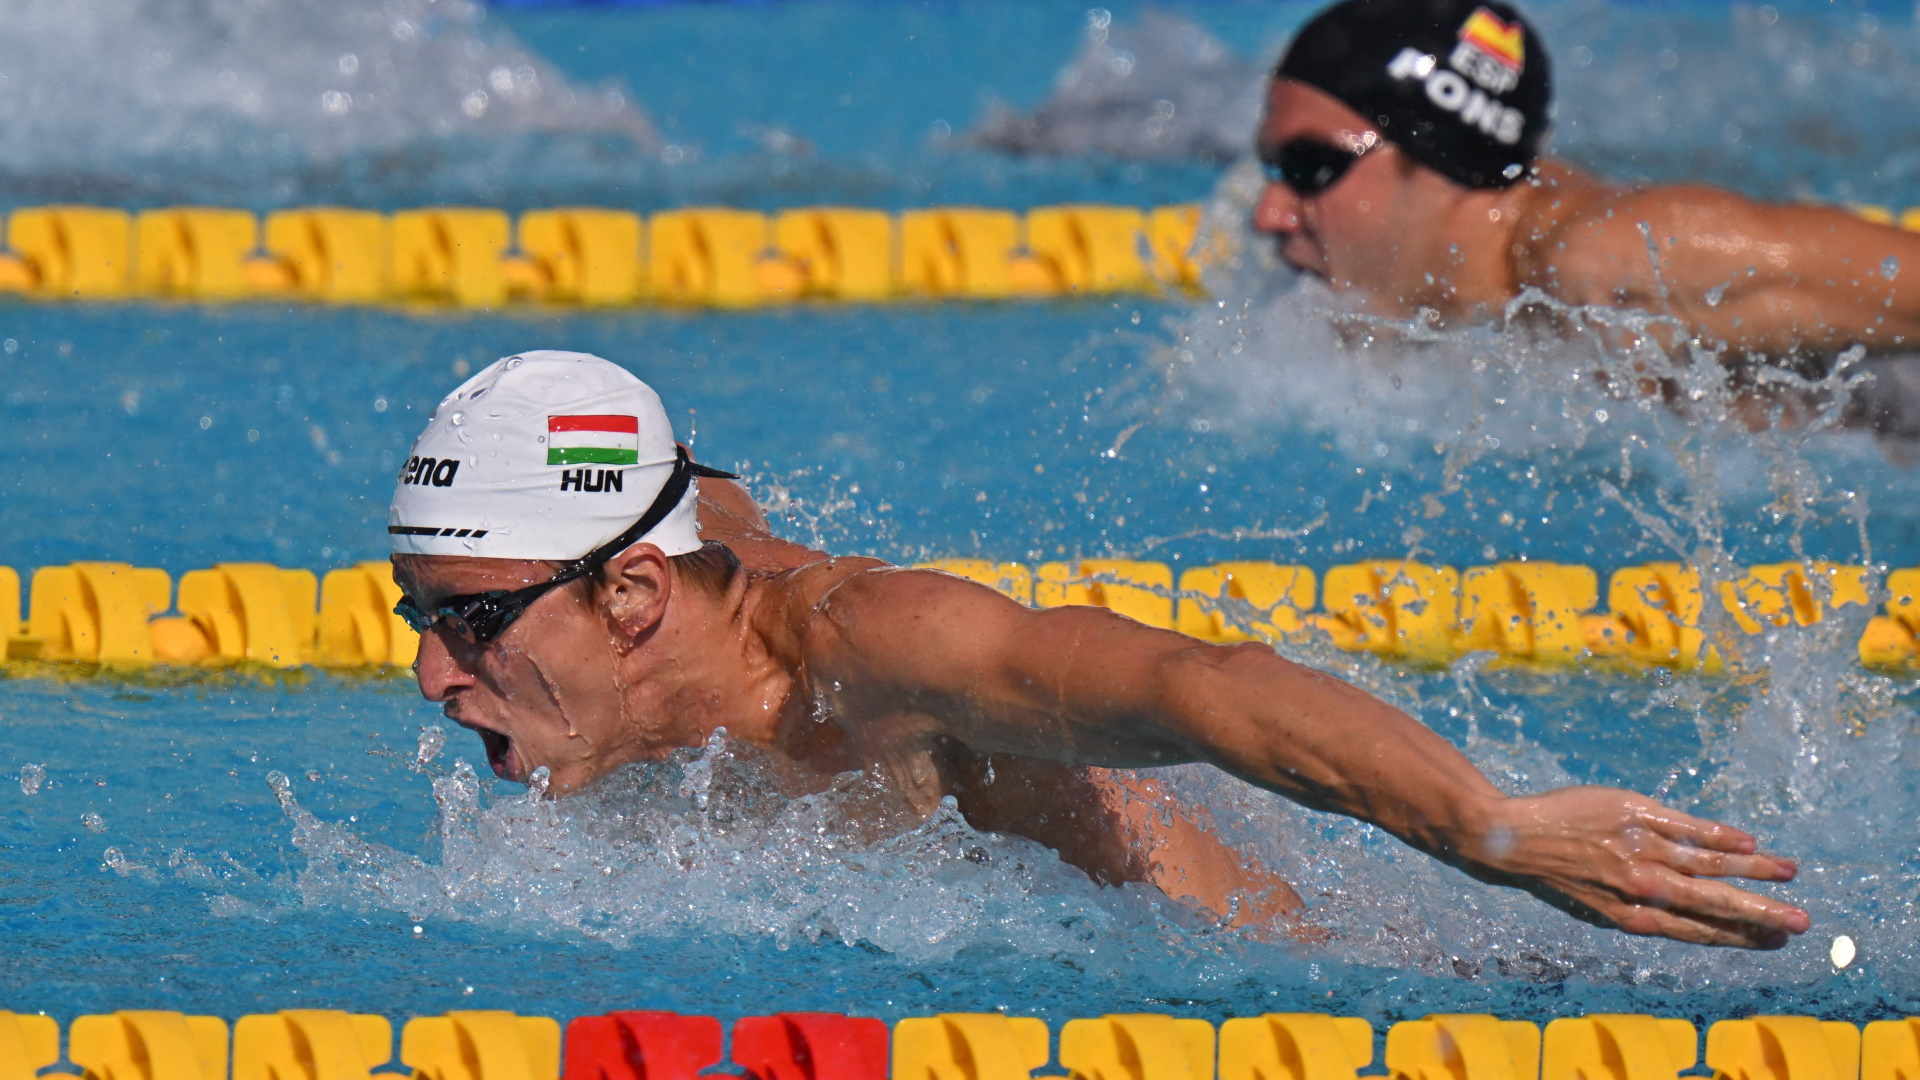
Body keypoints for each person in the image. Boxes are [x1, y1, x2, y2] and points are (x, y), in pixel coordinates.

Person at [389, 349, 1810, 948]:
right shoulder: (655, 582)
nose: (433, 676)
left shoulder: (871, 656)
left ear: (637, 597)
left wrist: (1488, 824)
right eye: (421, 615)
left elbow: (1198, 687)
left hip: (1266, 969)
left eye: (472, 623)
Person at [1254, 0, 1920, 383]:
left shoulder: (1617, 263)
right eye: (1273, 168)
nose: (1270, 212)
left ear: (1439, 158)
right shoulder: (1423, 302)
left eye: (1313, 167)